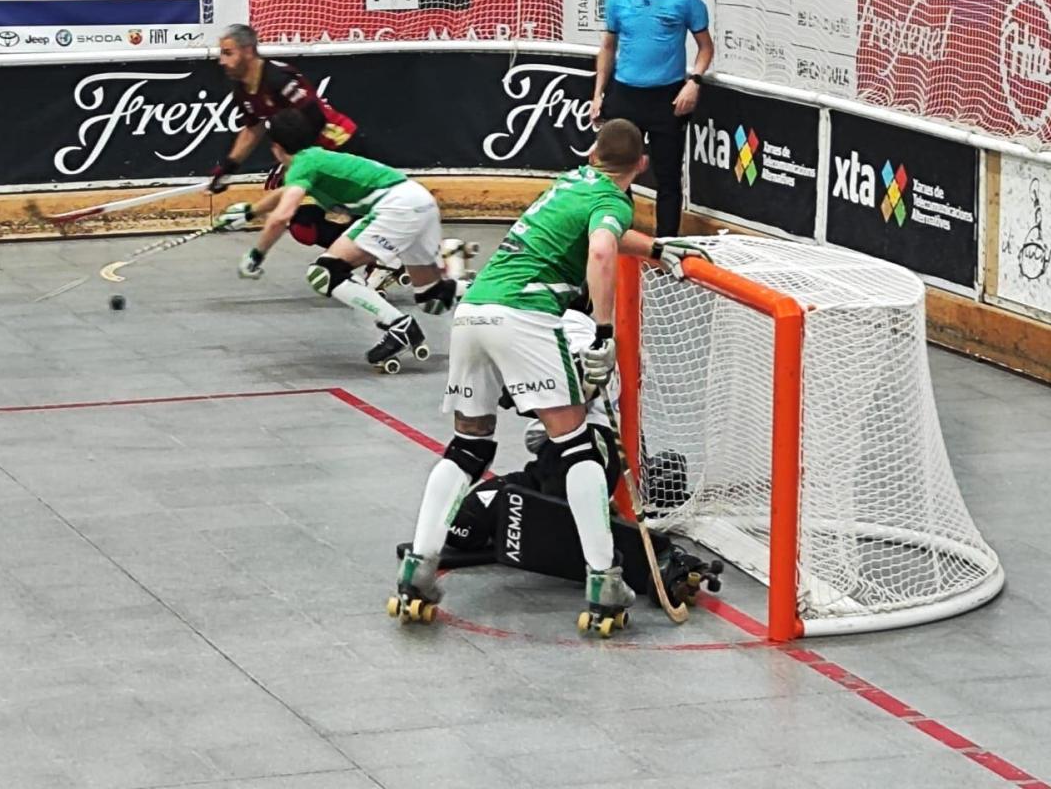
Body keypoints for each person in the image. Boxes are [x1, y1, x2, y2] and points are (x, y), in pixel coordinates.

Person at [389, 118, 710, 636]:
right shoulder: (614, 198)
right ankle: (604, 579)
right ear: (642, 166)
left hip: (474, 312)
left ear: (592, 153)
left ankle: (418, 569)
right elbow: (602, 248)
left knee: (469, 447)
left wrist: (649, 248)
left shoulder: (571, 182)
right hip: (526, 314)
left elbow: (595, 231)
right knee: (576, 443)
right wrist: (604, 334)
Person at [397, 305, 722, 609]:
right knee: (462, 530)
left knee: (537, 515)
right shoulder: (530, 321)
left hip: (587, 448)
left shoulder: (572, 324)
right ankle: (597, 546)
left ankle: (658, 563)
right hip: (552, 457)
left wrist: (574, 375)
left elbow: (584, 379)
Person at [225, 107, 459, 371]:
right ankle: (486, 294)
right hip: (419, 200)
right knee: (433, 297)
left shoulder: (302, 165)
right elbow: (285, 194)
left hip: (396, 208)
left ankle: (398, 326)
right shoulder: (314, 158)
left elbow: (282, 216)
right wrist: (250, 212)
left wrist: (256, 255)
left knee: (325, 273)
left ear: (276, 148)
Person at [590, 0, 714, 238]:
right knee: (616, 174)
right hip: (625, 96)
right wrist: (598, 95)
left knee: (668, 178)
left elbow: (705, 47)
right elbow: (607, 48)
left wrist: (694, 81)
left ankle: (666, 247)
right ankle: (622, 239)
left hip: (667, 99)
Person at [210, 24, 360, 194]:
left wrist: (292, 162)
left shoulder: (278, 79)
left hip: (339, 144)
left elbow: (315, 118)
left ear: (248, 51)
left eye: (228, 53)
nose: (222, 61)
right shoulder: (241, 88)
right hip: (311, 154)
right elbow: (253, 128)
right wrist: (228, 168)